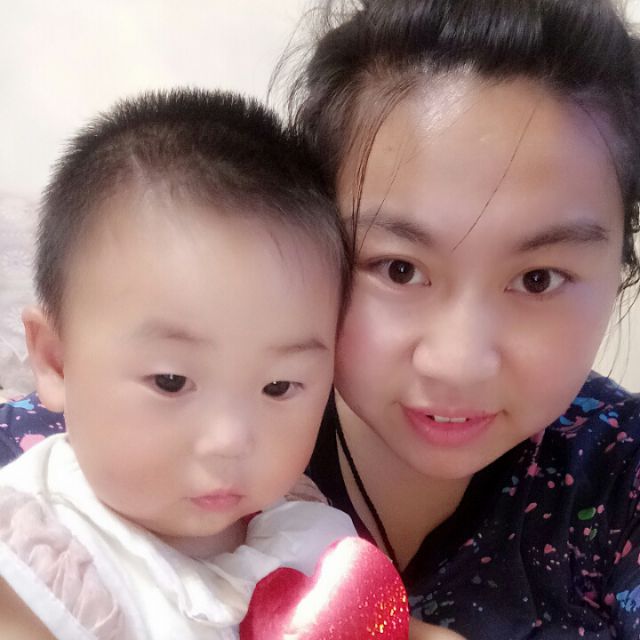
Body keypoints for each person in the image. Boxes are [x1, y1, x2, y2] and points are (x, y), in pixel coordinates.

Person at [285, 0, 640, 637]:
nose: (458, 363)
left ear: (621, 263)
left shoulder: (620, 473)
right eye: (398, 269)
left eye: (537, 279)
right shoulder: (195, 416)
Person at [0, 88, 361, 639]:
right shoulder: (37, 571)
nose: (230, 441)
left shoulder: (297, 524)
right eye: (171, 381)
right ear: (56, 361)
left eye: (279, 386)